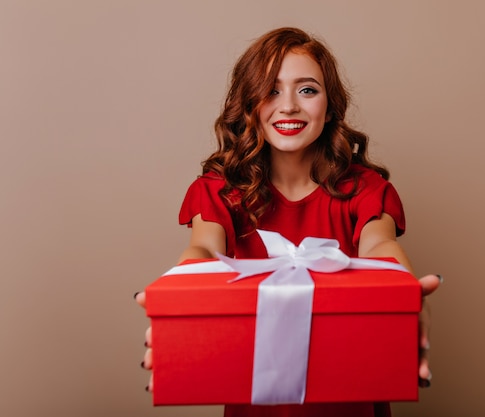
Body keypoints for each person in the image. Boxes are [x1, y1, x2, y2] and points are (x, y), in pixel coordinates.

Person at [135, 27, 441, 417]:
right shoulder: (218, 190)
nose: (289, 106)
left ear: (329, 107)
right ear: (249, 104)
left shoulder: (366, 188)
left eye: (307, 90)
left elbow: (380, 245)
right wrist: (177, 304)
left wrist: (403, 294)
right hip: (258, 403)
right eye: (271, 90)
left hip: (349, 400)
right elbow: (202, 249)